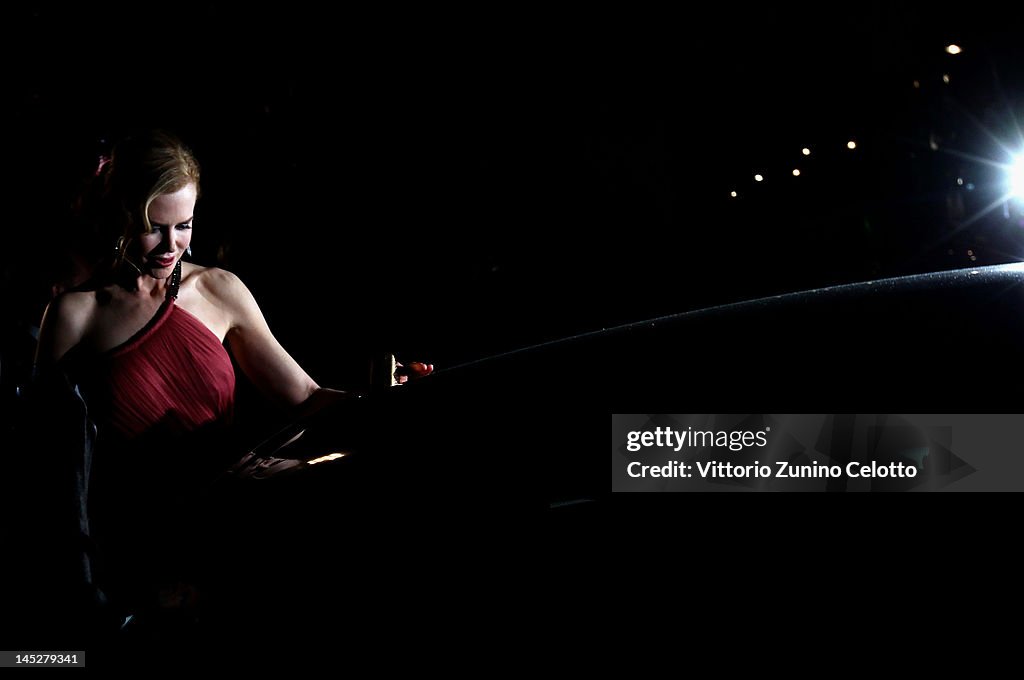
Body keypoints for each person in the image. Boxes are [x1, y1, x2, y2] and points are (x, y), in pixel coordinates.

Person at [27, 130, 433, 636]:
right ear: (120, 213)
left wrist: (387, 402)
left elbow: (304, 397)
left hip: (247, 495)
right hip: (153, 534)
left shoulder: (217, 289)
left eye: (184, 226)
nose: (171, 245)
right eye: (154, 228)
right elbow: (47, 469)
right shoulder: (73, 316)